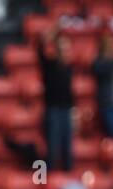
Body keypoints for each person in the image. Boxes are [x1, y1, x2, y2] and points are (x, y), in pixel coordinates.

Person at [39, 27, 75, 171]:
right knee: (52, 147)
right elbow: (40, 48)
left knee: (67, 147)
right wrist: (52, 33)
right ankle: (50, 176)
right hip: (53, 110)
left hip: (66, 110)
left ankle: (68, 174)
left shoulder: (69, 67)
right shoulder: (49, 65)